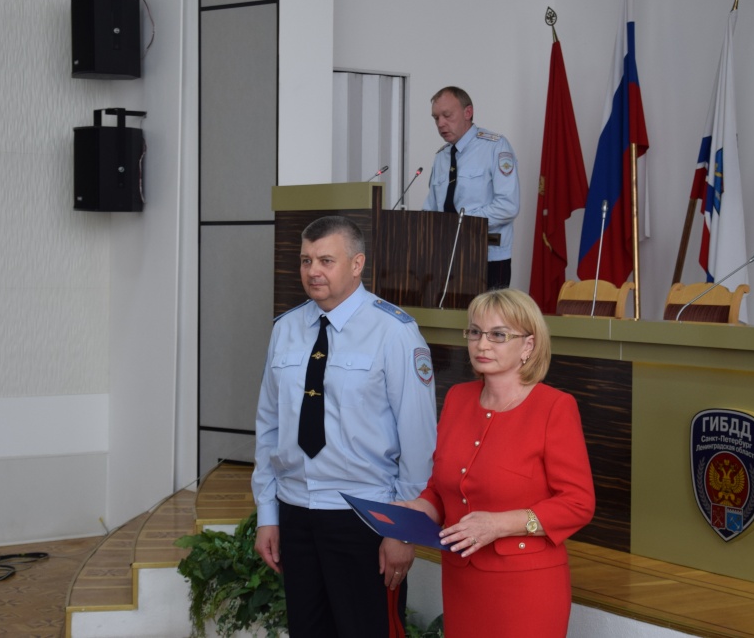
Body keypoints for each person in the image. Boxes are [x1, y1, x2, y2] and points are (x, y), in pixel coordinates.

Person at [251, 215, 438, 638]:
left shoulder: (394, 332)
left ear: (357, 264)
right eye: (306, 260)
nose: (313, 271)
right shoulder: (286, 329)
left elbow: (419, 438)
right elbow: (268, 428)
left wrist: (402, 529)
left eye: (326, 260)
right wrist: (268, 514)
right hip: (296, 511)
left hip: (366, 517)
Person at [400, 288, 595, 637]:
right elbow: (440, 488)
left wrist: (499, 524)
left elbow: (578, 504)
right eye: (475, 332)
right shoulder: (458, 398)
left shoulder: (555, 407)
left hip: (527, 587)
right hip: (461, 582)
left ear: (528, 345)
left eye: (498, 335)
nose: (482, 344)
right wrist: (415, 510)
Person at [422, 86, 520, 289]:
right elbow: (430, 210)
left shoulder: (495, 147)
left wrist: (462, 225)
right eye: (436, 118)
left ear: (468, 112)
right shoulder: (441, 157)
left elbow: (508, 206)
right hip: (446, 257)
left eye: (447, 115)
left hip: (488, 258)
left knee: (487, 311)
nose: (441, 124)